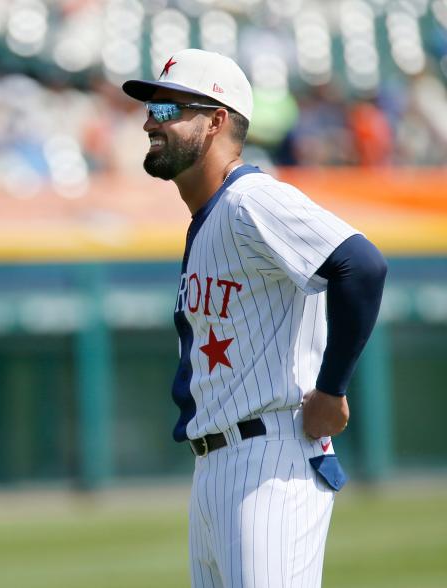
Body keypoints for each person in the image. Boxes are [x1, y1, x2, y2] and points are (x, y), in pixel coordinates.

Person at [122, 49, 387, 587]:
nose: (151, 120)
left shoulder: (251, 200)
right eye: (152, 108)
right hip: (218, 466)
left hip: (271, 459)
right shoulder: (211, 217)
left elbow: (361, 265)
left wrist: (331, 390)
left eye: (170, 109)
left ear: (218, 119)